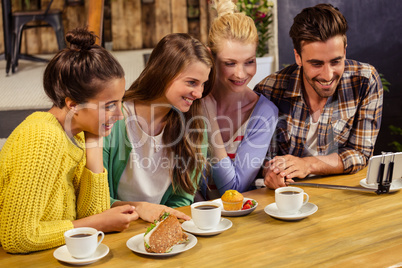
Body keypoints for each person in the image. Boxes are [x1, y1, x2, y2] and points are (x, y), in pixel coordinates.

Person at [0, 28, 139, 254]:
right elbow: (17, 237)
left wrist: (94, 142)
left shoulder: (78, 133)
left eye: (120, 101)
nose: (120, 114)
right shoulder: (42, 138)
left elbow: (92, 213)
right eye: (110, 105)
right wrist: (98, 224)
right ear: (73, 105)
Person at [254, 4, 383, 189]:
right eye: (316, 64)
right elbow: (260, 160)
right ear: (298, 57)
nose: (328, 75)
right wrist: (270, 172)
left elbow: (360, 153)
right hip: (289, 197)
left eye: (336, 61)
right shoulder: (269, 90)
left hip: (343, 193)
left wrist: (307, 164)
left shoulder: (365, 81)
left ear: (345, 51)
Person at [103, 33, 215, 215]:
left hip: (160, 227)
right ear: (164, 73)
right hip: (114, 227)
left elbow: (182, 199)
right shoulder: (114, 120)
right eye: (192, 83)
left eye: (203, 84)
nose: (199, 93)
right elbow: (96, 199)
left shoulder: (194, 127)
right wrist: (140, 210)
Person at [197, 0, 278, 200]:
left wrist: (210, 121)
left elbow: (233, 191)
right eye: (230, 63)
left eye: (249, 62)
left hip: (239, 222)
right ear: (210, 56)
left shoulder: (264, 112)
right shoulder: (190, 100)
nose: (241, 74)